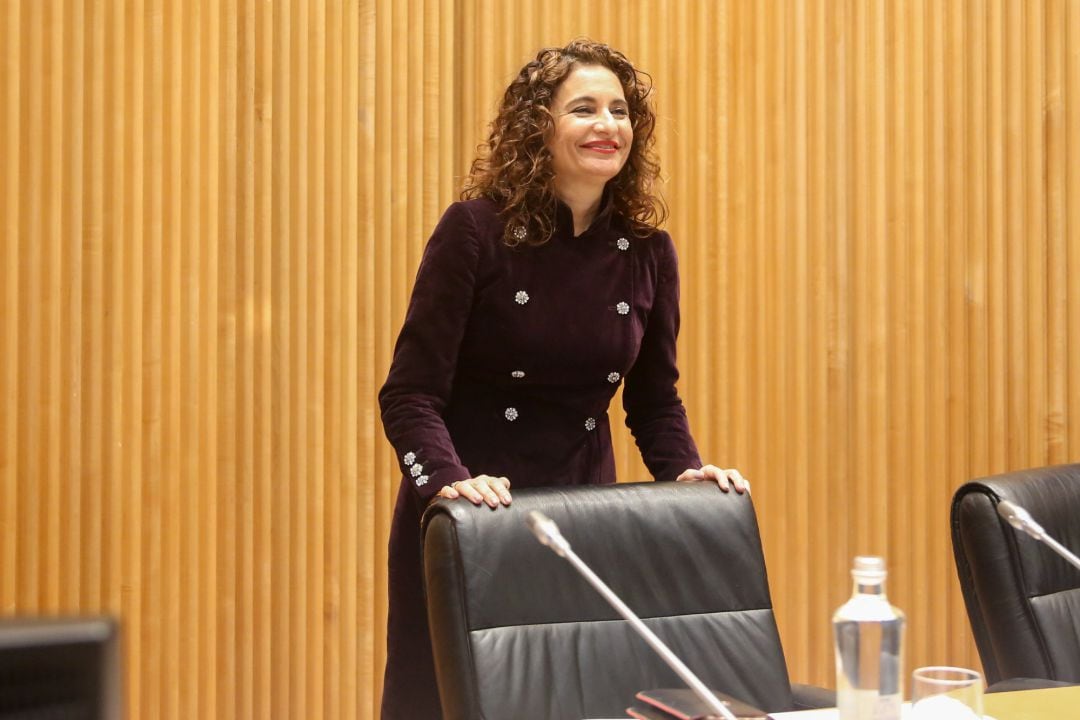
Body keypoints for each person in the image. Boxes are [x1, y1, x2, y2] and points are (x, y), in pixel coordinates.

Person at [377, 38, 749, 719]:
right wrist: (447, 483)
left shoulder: (647, 254)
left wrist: (685, 477)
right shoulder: (474, 232)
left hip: (581, 521)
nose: (607, 125)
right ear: (538, 128)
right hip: (471, 519)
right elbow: (409, 395)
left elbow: (654, 400)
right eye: (583, 109)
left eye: (620, 110)